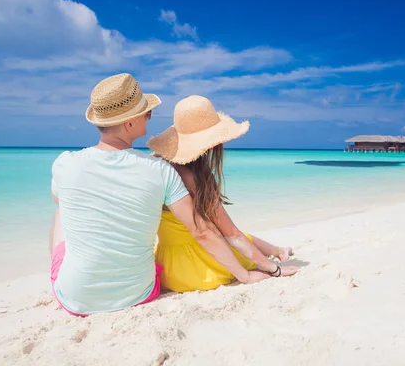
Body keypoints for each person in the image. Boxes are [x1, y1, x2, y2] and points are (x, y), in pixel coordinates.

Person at [49, 74, 271, 316]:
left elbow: (66, 205)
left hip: (74, 300)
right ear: (129, 123)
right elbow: (202, 231)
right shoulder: (160, 170)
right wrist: (245, 275)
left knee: (62, 209)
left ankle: (82, 274)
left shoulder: (64, 164)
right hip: (141, 293)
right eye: (147, 113)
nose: (150, 117)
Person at [147, 95, 298, 293]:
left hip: (168, 267)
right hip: (198, 268)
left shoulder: (157, 165)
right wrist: (275, 270)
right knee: (235, 236)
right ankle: (278, 253)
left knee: (229, 234)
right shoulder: (191, 177)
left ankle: (279, 250)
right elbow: (232, 234)